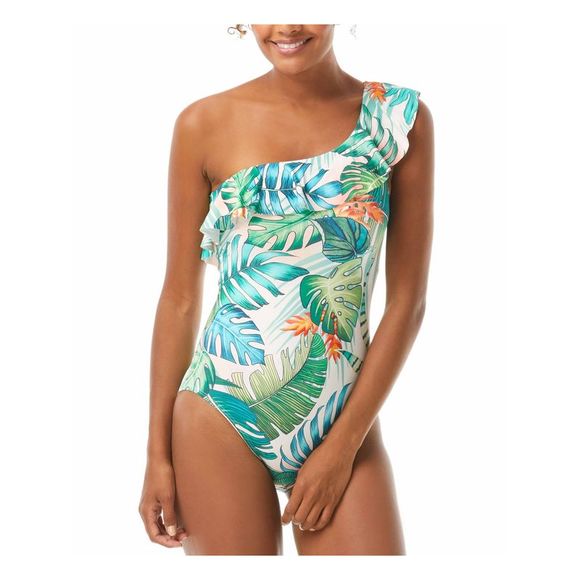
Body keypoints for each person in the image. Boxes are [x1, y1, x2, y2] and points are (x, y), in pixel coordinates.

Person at [139, 23, 434, 555]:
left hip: (346, 418)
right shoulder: (202, 123)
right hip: (219, 412)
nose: (288, 25)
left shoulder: (396, 118)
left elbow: (407, 303)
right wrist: (157, 456)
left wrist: (343, 446)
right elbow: (179, 299)